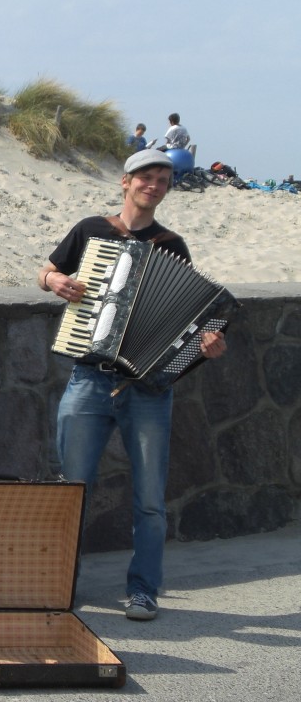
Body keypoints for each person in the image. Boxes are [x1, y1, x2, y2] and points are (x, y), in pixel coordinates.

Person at [37, 148, 226, 622]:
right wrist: (56, 281)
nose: (155, 185)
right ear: (126, 181)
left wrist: (203, 346)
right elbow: (45, 270)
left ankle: (143, 590)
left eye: (164, 179)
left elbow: (184, 323)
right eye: (147, 177)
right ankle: (62, 583)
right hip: (89, 379)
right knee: (73, 489)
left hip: (146, 390)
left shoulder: (172, 244)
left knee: (149, 498)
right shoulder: (90, 229)